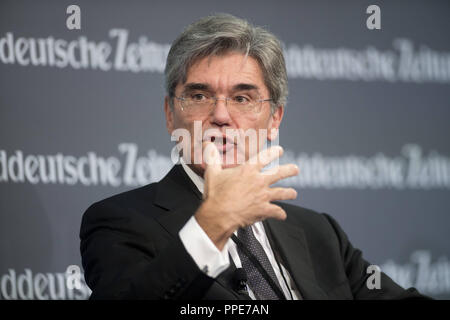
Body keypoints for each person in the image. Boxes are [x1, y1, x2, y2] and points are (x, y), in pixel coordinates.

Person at [80, 13, 427, 300]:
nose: (220, 115)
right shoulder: (118, 223)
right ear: (171, 114)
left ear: (274, 118)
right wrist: (211, 225)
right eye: (199, 95)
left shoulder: (317, 232)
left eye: (242, 98)